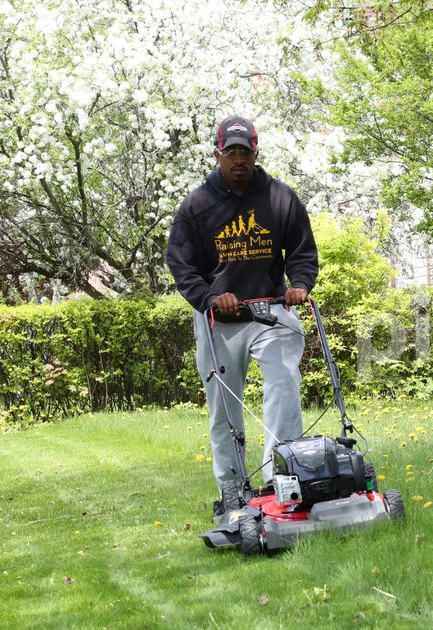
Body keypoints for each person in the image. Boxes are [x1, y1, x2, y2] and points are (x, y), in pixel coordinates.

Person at [166, 115, 318, 516]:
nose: (238, 160)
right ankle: (232, 492)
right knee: (224, 409)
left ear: (255, 153)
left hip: (271, 311)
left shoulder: (281, 198)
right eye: (231, 152)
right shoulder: (197, 206)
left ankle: (281, 482)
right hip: (220, 321)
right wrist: (211, 298)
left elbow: (302, 251)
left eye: (245, 152)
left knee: (284, 387)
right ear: (217, 154)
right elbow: (182, 265)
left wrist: (300, 283)